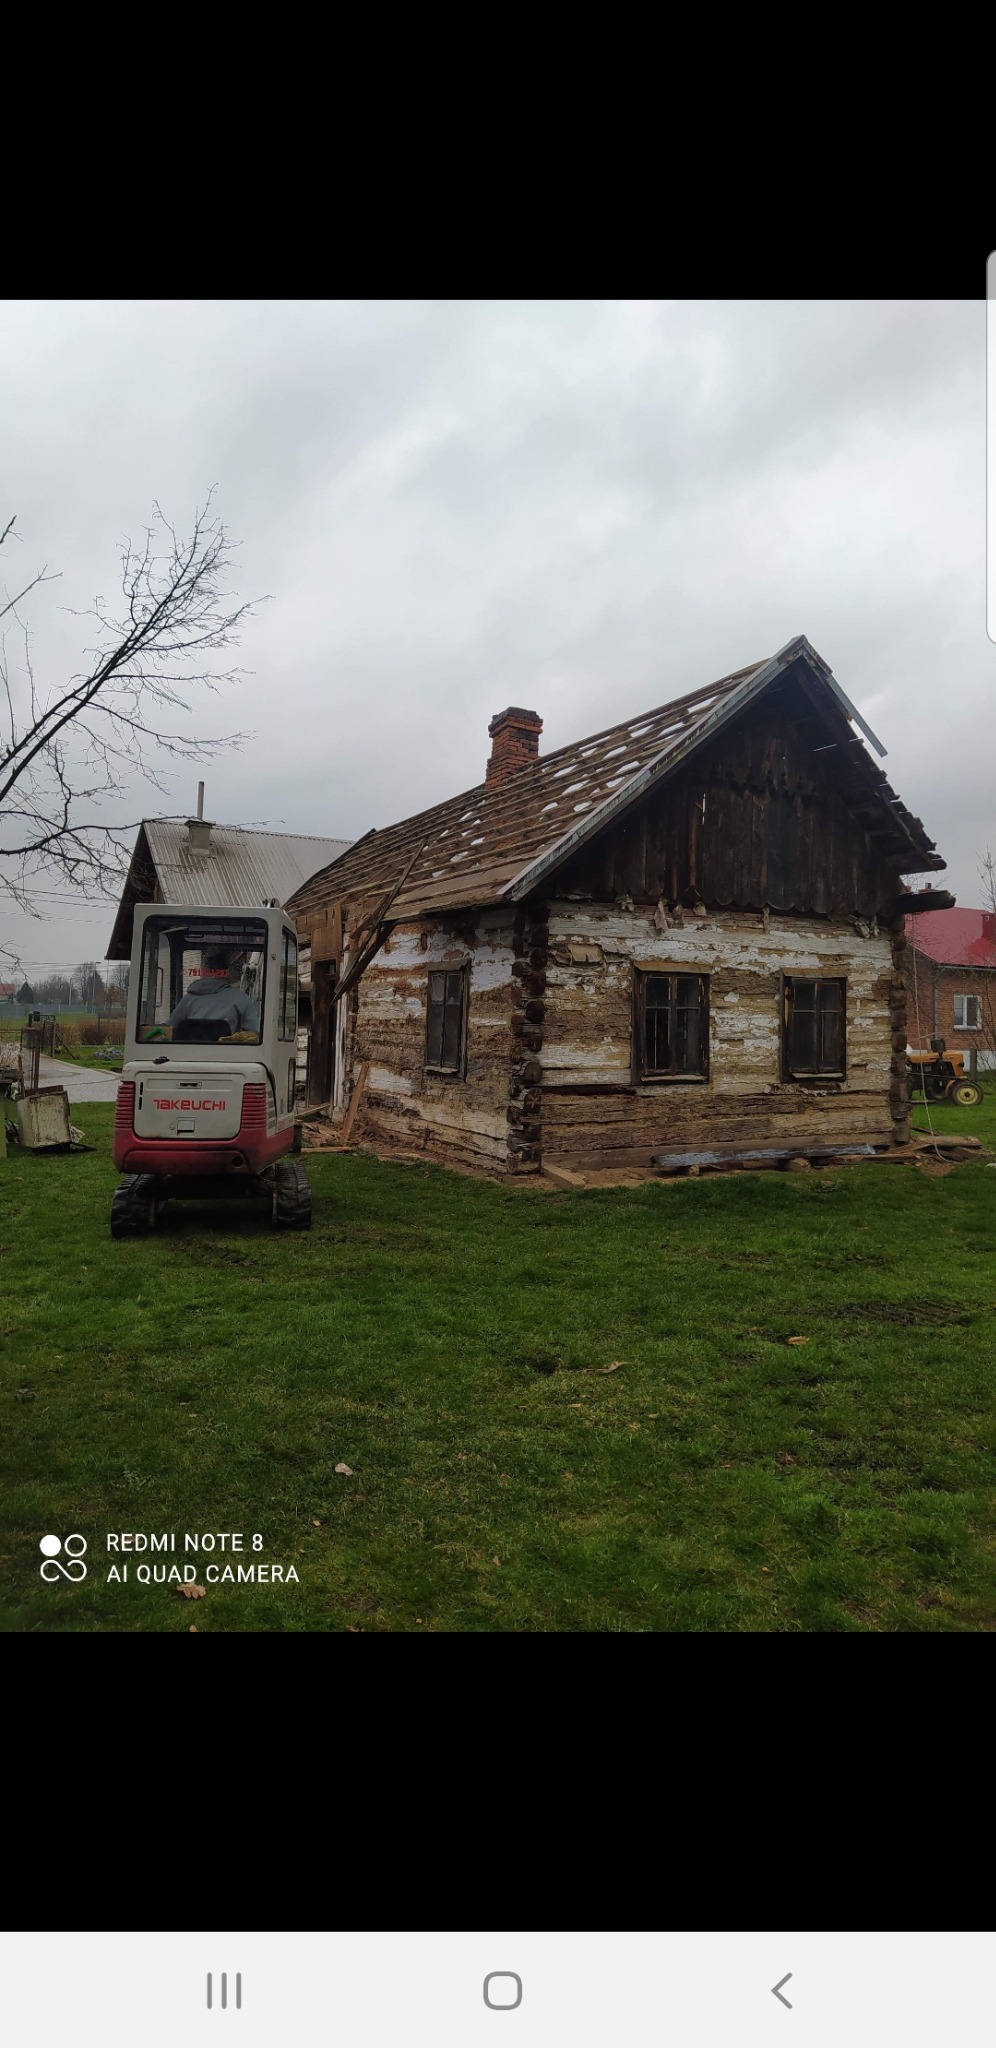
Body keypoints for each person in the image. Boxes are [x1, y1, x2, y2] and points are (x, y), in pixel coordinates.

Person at [165, 948, 260, 1041]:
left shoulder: (188, 999)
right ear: (227, 972)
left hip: (190, 1054)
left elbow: (170, 1029)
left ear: (204, 971)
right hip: (228, 1054)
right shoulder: (241, 998)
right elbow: (253, 1035)